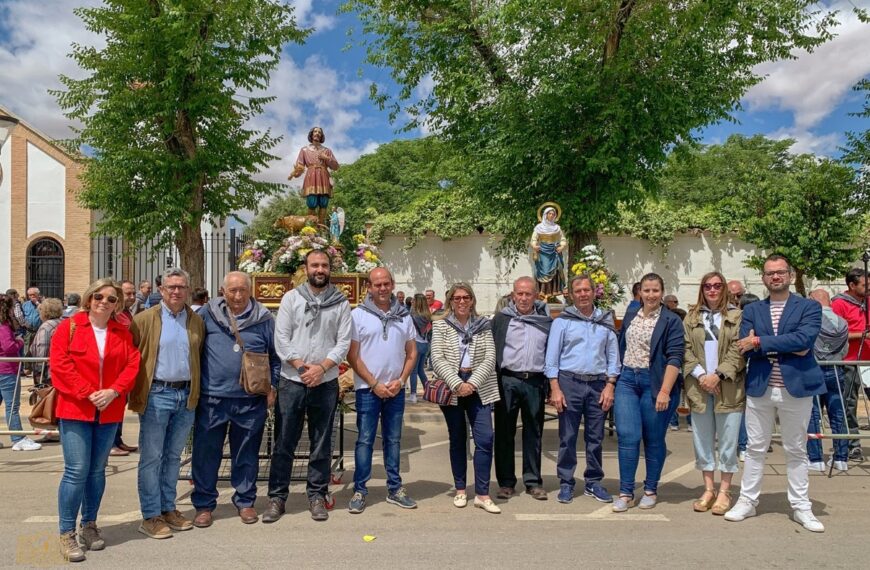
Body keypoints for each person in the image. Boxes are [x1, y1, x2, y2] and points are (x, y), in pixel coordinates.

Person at [725, 254, 826, 532]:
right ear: (764, 278)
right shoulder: (753, 310)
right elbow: (743, 345)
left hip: (796, 387)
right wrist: (777, 343)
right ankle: (747, 501)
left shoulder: (808, 307)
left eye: (780, 272)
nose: (775, 277)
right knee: (755, 448)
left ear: (790, 275)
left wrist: (760, 341)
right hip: (761, 386)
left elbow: (804, 342)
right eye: (770, 273)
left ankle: (801, 506)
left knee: (796, 449)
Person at [50, 278, 140, 562]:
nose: (104, 302)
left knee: (97, 471)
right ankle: (66, 532)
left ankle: (89, 524)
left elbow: (132, 363)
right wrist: (89, 393)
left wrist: (114, 391)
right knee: (76, 470)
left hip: (109, 410)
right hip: (76, 408)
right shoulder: (70, 327)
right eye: (99, 296)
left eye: (112, 299)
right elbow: (60, 365)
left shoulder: (121, 332)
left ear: (118, 305)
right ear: (89, 299)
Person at [264, 249, 352, 523]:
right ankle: (278, 497)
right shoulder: (291, 299)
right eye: (315, 264)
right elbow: (282, 338)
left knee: (321, 442)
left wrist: (322, 368)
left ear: (330, 269)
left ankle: (316, 494)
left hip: (324, 382)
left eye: (324, 265)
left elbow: (343, 341)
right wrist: (303, 368)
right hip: (293, 381)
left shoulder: (340, 303)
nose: (320, 269)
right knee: (284, 441)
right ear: (306, 267)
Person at [191, 272, 280, 527]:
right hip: (212, 398)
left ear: (250, 291)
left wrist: (272, 386)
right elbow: (193, 351)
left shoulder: (264, 319)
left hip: (250, 400)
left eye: (243, 290)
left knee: (247, 453)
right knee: (206, 454)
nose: (238, 296)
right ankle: (204, 504)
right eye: (233, 291)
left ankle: (245, 501)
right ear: (222, 291)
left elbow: (275, 356)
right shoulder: (206, 315)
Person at [129, 268, 205, 539]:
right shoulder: (144, 320)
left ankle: (168, 508)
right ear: (161, 290)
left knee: (173, 457)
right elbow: (132, 356)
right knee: (152, 458)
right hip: (156, 395)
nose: (176, 291)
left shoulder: (195, 320)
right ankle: (150, 515)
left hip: (185, 395)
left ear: (188, 289)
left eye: (181, 287)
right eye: (171, 287)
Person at [346, 267, 418, 513]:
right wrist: (374, 383)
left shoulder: (404, 317)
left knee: (393, 440)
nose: (382, 288)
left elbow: (412, 353)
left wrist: (401, 380)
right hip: (368, 389)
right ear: (369, 287)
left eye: (386, 283)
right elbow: (352, 356)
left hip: (395, 388)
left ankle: (395, 488)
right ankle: (360, 490)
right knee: (365, 440)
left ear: (392, 284)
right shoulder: (358, 316)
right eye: (377, 284)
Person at [612, 273, 684, 512]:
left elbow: (675, 357)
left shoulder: (671, 320)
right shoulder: (632, 313)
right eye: (646, 290)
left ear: (662, 292)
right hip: (627, 381)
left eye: (655, 290)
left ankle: (651, 489)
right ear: (639, 292)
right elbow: (622, 345)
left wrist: (664, 390)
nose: (651, 295)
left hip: (655, 382)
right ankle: (625, 492)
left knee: (653, 439)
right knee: (628, 437)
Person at [546, 275, 618, 504]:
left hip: (598, 384)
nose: (583, 294)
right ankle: (566, 482)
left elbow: (613, 356)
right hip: (570, 383)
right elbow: (552, 358)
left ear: (594, 292)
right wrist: (555, 388)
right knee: (567, 436)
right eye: (578, 291)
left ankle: (594, 482)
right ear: (571, 294)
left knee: (595, 437)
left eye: (587, 290)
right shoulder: (563, 321)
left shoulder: (605, 320)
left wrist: (610, 385)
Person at [430, 283, 501, 514]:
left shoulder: (483, 325)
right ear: (450, 300)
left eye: (466, 297)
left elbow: (490, 358)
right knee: (458, 438)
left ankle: (482, 493)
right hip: (453, 386)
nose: (462, 301)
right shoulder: (441, 325)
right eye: (457, 298)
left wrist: (472, 383)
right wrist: (458, 383)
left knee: (485, 439)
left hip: (479, 385)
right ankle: (460, 489)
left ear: (472, 300)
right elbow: (437, 358)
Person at [682, 272, 745, 515]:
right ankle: (708, 488)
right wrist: (701, 376)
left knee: (728, 440)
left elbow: (738, 351)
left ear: (725, 289)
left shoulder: (737, 316)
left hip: (728, 386)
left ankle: (725, 490)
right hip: (699, 387)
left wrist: (717, 375)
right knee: (702, 438)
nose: (712, 290)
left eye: (717, 286)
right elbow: (685, 349)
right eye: (707, 286)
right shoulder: (691, 317)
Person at [492, 277, 553, 501]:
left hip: (535, 382)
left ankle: (533, 481)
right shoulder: (501, 319)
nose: (524, 298)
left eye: (528, 294)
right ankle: (506, 482)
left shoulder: (545, 321)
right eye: (520, 294)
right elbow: (493, 348)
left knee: (534, 433)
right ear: (513, 295)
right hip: (507, 380)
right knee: (504, 433)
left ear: (536, 296)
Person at [806, 289, 850, 472]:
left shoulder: (812, 321)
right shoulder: (843, 322)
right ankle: (841, 458)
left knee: (813, 413)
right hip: (836, 367)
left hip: (814, 368)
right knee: (838, 413)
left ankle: (815, 459)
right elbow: (845, 349)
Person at [831, 268, 869, 463]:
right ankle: (853, 444)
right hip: (850, 360)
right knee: (849, 403)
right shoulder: (839, 304)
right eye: (864, 285)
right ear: (852, 285)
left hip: (868, 361)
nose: (868, 288)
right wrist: (862, 335)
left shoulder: (868, 302)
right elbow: (836, 333)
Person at [0, 294, 41, 451]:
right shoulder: (3, 326)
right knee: (12, 406)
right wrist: (19, 341)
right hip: (7, 370)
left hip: (4, 369)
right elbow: (9, 347)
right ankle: (18, 438)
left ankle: (17, 437)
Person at [289, 126, 340, 224]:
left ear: (321, 136)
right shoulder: (304, 150)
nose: (317, 133)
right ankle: (310, 228)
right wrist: (295, 173)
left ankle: (321, 227)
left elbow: (336, 167)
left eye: (319, 132)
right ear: (311, 134)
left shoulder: (327, 150)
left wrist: (327, 158)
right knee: (311, 202)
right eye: (315, 131)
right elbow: (300, 166)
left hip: (324, 176)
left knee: (323, 202)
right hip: (311, 176)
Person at [736, 292, 761, 461]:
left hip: (745, 368)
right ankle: (749, 444)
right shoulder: (760, 320)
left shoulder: (742, 322)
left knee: (745, 409)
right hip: (753, 368)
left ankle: (744, 445)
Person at [530, 206, 567, 296]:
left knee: (556, 270)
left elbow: (563, 239)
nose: (551, 215)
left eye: (553, 214)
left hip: (554, 251)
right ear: (545, 215)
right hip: (542, 251)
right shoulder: (539, 227)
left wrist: (561, 247)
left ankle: (553, 292)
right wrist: (534, 246)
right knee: (543, 271)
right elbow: (533, 239)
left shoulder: (557, 228)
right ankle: (542, 292)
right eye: (549, 214)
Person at [29, 298, 64, 384]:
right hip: (59, 369)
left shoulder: (46, 327)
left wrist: (39, 371)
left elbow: (42, 348)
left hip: (47, 372)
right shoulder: (63, 322)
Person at [409, 293, 432, 402]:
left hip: (415, 343)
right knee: (420, 370)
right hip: (425, 343)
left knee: (413, 371)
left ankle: (413, 394)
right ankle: (428, 391)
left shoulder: (413, 314)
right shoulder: (427, 315)